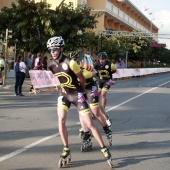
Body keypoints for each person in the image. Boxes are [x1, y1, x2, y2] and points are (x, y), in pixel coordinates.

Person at [47, 36, 113, 167]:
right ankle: (66, 148)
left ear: (61, 48)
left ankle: (104, 148)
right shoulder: (50, 64)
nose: (52, 51)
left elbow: (82, 78)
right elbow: (60, 78)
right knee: (61, 120)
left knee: (89, 123)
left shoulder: (71, 62)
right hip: (64, 94)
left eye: (54, 49)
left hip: (77, 93)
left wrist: (81, 90)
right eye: (50, 49)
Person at [71, 54, 112, 146]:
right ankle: (86, 134)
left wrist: (86, 74)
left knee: (95, 112)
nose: (73, 61)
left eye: (75, 59)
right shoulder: (68, 67)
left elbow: (94, 72)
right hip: (80, 89)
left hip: (90, 87)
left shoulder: (84, 65)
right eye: (72, 59)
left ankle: (106, 128)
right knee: (81, 111)